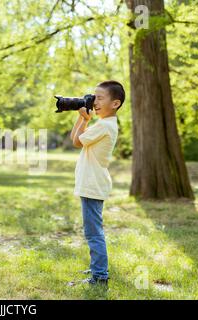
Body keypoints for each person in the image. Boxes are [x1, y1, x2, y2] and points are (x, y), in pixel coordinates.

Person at [69, 80, 125, 287]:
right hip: (92, 183)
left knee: (93, 233)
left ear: (115, 103)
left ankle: (100, 275)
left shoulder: (104, 125)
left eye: (100, 98)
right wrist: (81, 119)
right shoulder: (104, 124)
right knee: (93, 230)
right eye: (94, 97)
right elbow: (76, 140)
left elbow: (75, 141)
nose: (95, 101)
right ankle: (97, 267)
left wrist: (83, 120)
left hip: (93, 184)